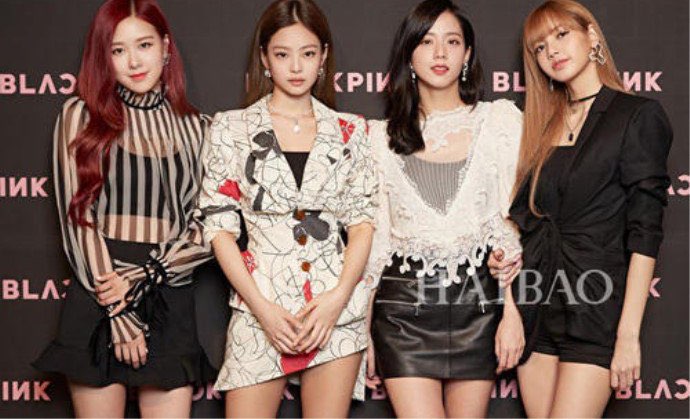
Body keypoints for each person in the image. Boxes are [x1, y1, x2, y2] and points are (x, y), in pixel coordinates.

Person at [33, 0, 215, 417]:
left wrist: (145, 278)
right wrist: (119, 309)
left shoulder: (200, 129)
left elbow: (210, 227)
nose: (133, 61)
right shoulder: (80, 116)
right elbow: (78, 218)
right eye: (117, 50)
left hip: (168, 289)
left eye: (144, 45)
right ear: (104, 57)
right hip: (100, 286)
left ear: (165, 47)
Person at [198, 0, 376, 416]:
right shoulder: (231, 128)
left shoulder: (350, 131)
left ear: (324, 56)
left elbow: (362, 224)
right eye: (282, 54)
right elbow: (219, 229)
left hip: (332, 311)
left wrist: (337, 299)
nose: (296, 67)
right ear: (264, 58)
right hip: (259, 307)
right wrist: (261, 309)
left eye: (308, 53)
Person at [507, 1, 673, 417]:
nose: (552, 51)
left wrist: (628, 336)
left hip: (596, 311)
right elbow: (525, 222)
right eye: (540, 47)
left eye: (562, 35)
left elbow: (645, 233)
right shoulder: (538, 126)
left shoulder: (636, 116)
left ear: (592, 35)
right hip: (537, 308)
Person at [364, 0, 525, 417]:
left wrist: (512, 313)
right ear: (409, 54)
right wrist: (362, 331)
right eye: (427, 42)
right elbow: (377, 239)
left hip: (479, 306)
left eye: (452, 42)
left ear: (467, 54)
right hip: (404, 310)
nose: (440, 53)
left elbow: (509, 224)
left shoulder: (499, 122)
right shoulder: (378, 139)